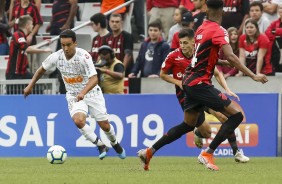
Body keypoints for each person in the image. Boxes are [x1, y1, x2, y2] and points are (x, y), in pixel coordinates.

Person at [138, 0, 268, 171]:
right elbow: (231, 56)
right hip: (200, 83)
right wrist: (253, 75)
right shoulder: (218, 30)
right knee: (236, 116)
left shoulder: (201, 27)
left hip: (189, 82)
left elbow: (201, 57)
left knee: (188, 125)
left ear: (206, 9)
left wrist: (220, 61)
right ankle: (208, 153)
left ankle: (150, 151)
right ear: (222, 11)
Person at [23, 29, 126, 160]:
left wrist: (83, 92)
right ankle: (100, 145)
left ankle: (115, 143)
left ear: (75, 43)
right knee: (78, 121)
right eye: (63, 45)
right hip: (73, 94)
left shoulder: (84, 56)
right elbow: (41, 70)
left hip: (92, 93)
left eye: (68, 45)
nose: (65, 48)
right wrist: (30, 85)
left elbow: (94, 79)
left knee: (105, 125)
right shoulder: (56, 56)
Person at [5, 15, 51, 94]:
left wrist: (45, 43)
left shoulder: (22, 36)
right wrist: (44, 50)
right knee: (15, 98)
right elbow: (27, 49)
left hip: (23, 73)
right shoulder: (17, 35)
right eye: (32, 24)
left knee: (38, 89)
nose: (33, 26)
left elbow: (28, 47)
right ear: (27, 25)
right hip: (14, 74)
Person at [46, 0, 78, 94]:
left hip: (64, 26)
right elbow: (55, 11)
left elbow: (74, 6)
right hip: (56, 26)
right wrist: (51, 24)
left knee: (62, 54)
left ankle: (62, 80)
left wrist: (68, 23)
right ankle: (55, 77)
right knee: (55, 54)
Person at [265, 3, 282, 73]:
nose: (281, 10)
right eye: (280, 8)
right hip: (276, 49)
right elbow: (267, 32)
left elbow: (273, 31)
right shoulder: (275, 22)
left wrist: (276, 31)